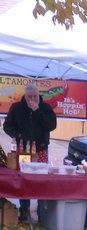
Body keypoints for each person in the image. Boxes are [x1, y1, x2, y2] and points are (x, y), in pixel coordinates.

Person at [3, 83, 57, 222]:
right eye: (29, 97)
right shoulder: (16, 107)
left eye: (35, 96)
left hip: (41, 149)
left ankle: (41, 210)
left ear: (38, 95)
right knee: (24, 180)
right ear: (25, 96)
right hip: (23, 151)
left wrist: (38, 110)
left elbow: (51, 126)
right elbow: (7, 125)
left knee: (41, 180)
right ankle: (24, 209)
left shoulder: (46, 108)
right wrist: (17, 134)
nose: (32, 99)